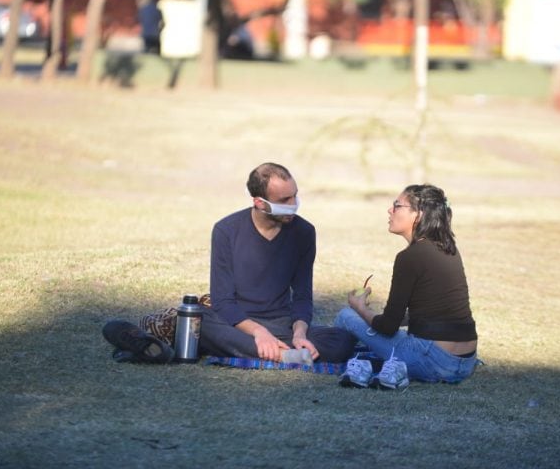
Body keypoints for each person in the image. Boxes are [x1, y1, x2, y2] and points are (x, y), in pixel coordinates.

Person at [197, 162, 357, 363]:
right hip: (238, 323)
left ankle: (276, 350)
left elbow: (302, 296)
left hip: (282, 325)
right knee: (198, 324)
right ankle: (283, 355)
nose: (293, 205)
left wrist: (299, 334)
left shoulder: (304, 233)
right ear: (259, 203)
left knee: (342, 341)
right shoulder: (226, 231)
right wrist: (258, 332)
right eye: (284, 200)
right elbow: (222, 301)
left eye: (294, 196)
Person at [334, 184, 480, 389]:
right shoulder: (449, 249)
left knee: (346, 316)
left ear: (418, 215)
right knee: (378, 327)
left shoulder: (409, 257)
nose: (390, 210)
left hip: (433, 361)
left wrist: (360, 307)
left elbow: (388, 327)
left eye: (397, 206)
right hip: (466, 362)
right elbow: (434, 313)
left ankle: (355, 360)